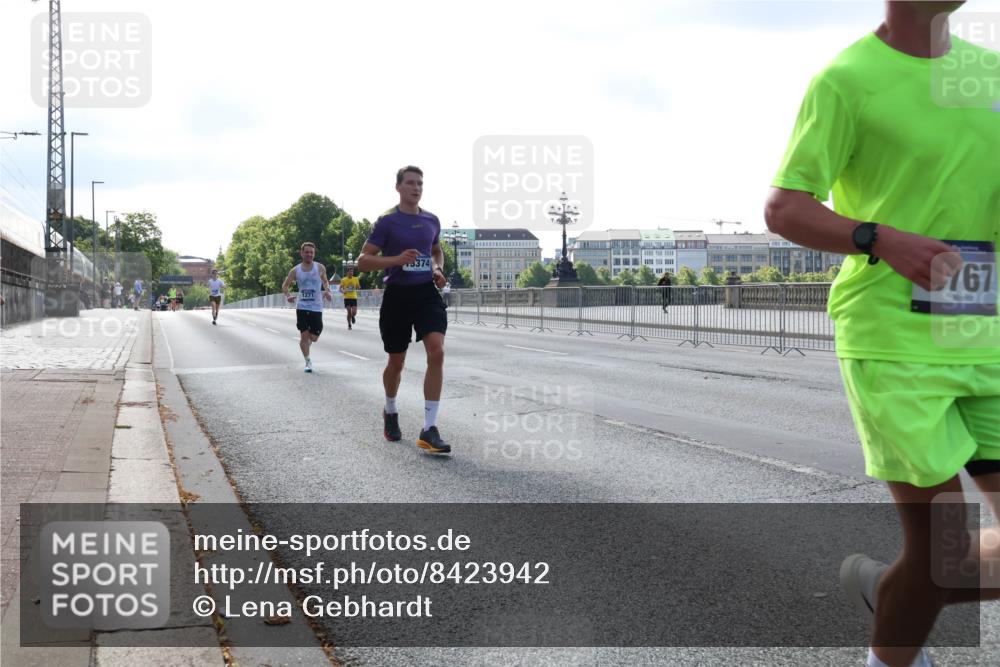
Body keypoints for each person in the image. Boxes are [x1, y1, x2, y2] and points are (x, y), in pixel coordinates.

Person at [764, 3, 999, 666]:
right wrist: (879, 237)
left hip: (985, 330)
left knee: (934, 568)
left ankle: (896, 588)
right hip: (893, 334)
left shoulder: (991, 74)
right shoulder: (847, 79)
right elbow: (785, 207)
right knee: (944, 547)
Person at [358, 165, 451, 454]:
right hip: (397, 295)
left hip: (426, 293)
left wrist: (437, 268)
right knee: (396, 362)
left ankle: (429, 428)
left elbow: (436, 250)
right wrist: (396, 259)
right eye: (410, 183)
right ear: (398, 187)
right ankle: (390, 409)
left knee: (437, 351)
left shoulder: (431, 220)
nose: (416, 187)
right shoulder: (387, 222)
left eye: (420, 183)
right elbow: (363, 260)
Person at [281, 242, 333, 372]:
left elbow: (325, 281)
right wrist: (288, 295)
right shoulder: (295, 270)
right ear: (302, 253)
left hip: (316, 307)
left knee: (313, 338)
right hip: (302, 306)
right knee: (304, 336)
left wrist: (327, 290)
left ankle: (307, 343)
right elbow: (285, 286)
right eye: (307, 252)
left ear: (314, 254)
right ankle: (308, 362)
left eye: (311, 252)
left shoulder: (320, 267)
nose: (309, 254)